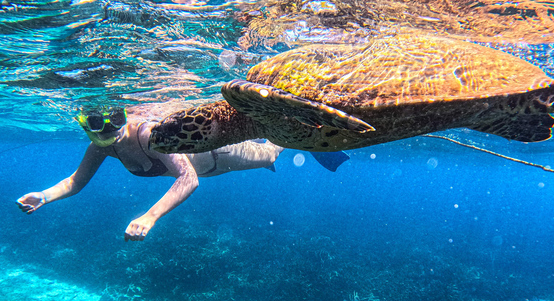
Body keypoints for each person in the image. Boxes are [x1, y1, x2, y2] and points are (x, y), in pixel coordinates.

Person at [17, 103, 347, 241]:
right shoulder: (101, 147)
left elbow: (189, 178)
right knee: (268, 151)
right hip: (212, 165)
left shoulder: (147, 134)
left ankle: (308, 130)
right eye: (97, 123)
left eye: (117, 118)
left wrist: (150, 217)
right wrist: (44, 196)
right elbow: (75, 182)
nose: (112, 128)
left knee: (270, 152)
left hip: (220, 154)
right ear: (84, 125)